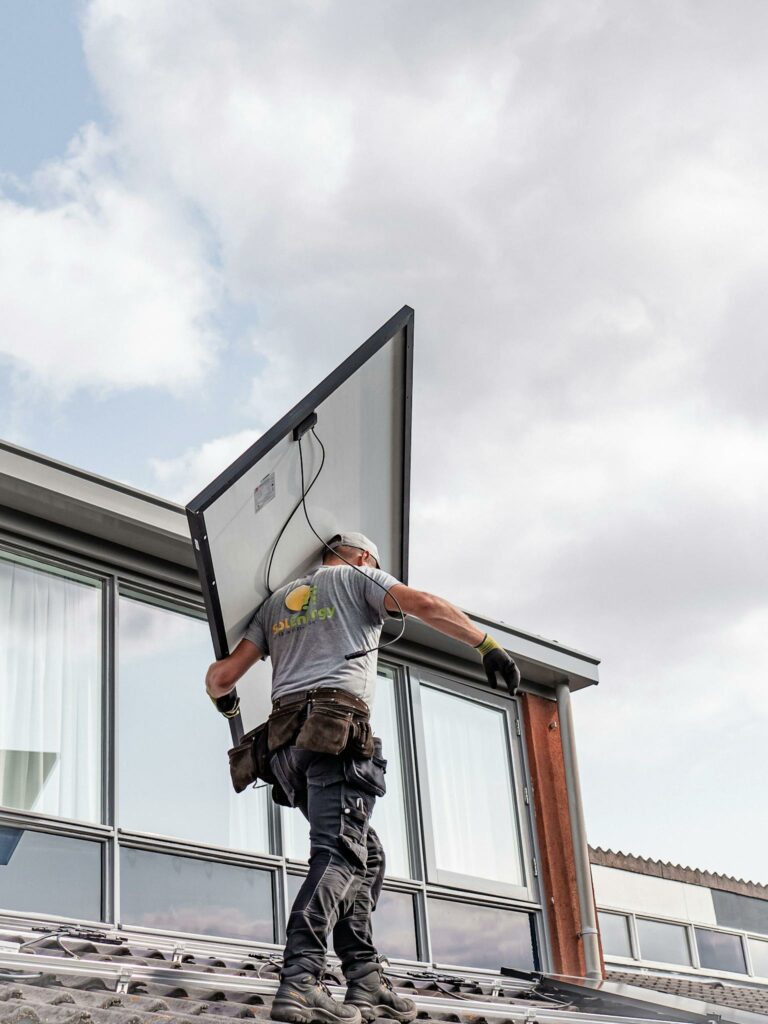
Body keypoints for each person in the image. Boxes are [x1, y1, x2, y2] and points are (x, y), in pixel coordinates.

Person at [205, 532, 520, 1024]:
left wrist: (229, 705)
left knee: (365, 854)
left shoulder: (274, 604)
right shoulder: (360, 579)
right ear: (364, 557)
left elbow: (220, 678)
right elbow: (426, 604)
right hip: (333, 734)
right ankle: (301, 982)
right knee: (341, 855)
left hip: (287, 750)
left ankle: (365, 981)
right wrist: (486, 644)